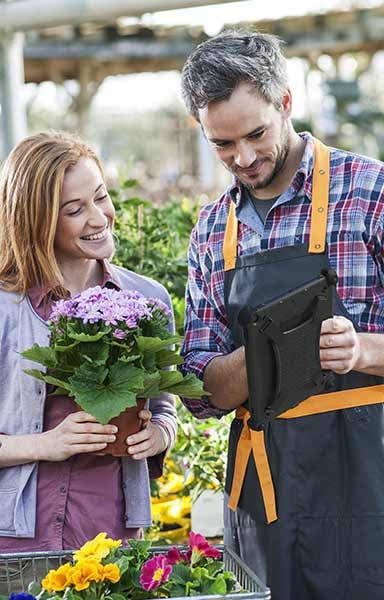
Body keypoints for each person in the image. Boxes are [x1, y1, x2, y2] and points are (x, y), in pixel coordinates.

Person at [180, 29, 384, 600]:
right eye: (222, 144)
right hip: (266, 485)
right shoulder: (211, 231)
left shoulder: (371, 192)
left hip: (370, 479)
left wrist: (363, 350)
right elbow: (200, 392)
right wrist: (265, 351)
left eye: (256, 134)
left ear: (286, 102)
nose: (243, 158)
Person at [0, 131, 176, 596]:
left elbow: (166, 405)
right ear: (35, 221)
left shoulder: (148, 300)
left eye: (101, 196)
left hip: (113, 539)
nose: (99, 218)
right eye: (74, 210)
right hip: (13, 549)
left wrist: (159, 433)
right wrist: (44, 444)